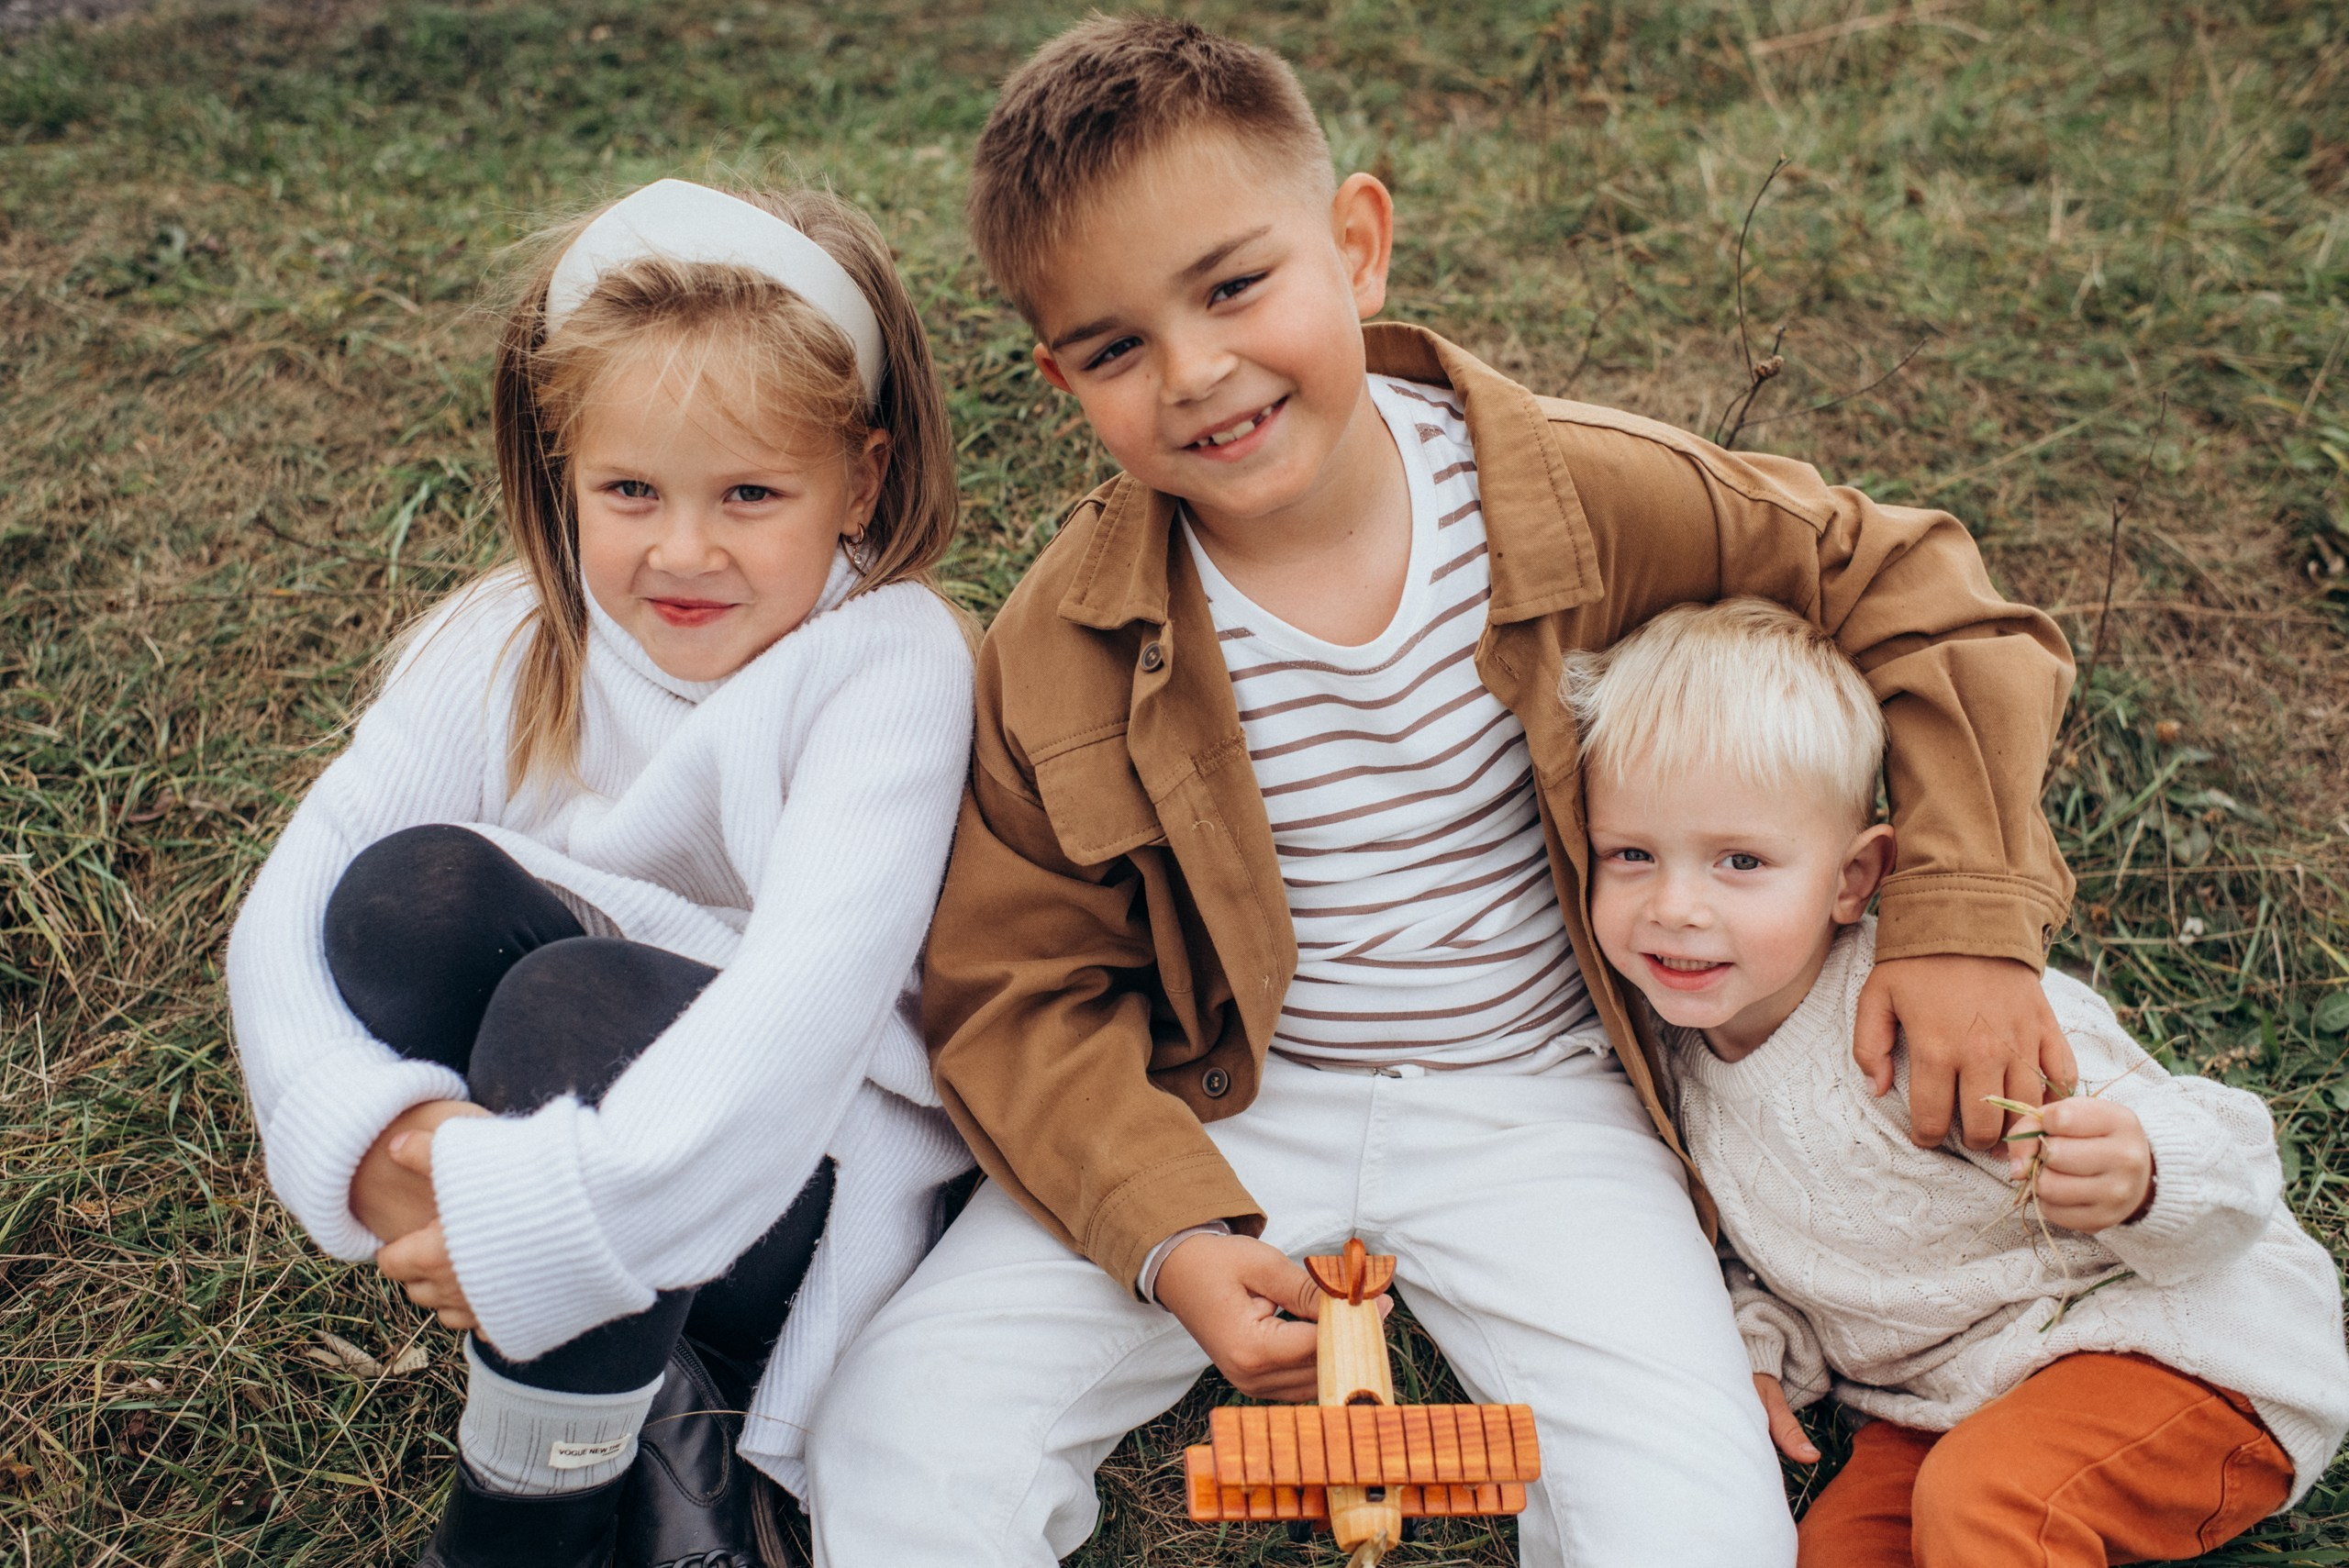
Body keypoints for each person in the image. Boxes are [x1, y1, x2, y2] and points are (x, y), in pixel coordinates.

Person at [809, 17, 2082, 1566]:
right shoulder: (1063, 642)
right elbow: (1014, 984)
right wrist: (1170, 1234)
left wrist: (1964, 913)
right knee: (900, 1427)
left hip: (1547, 1093)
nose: (1198, 370)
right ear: (1061, 373)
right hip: (1223, 1098)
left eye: (1233, 285)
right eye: (1118, 344)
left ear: (1357, 244)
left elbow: (1916, 585)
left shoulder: (1570, 491)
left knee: (1693, 1522)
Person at [225, 178, 976, 1568]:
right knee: (405, 893)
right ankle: (657, 1396)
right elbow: (298, 889)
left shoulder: (890, 657)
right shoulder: (518, 627)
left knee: (566, 1004)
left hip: (789, 1178)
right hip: (577, 1151)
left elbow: (804, 1012)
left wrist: (539, 1221)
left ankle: (525, 1518)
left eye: (752, 493)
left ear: (862, 478)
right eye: (630, 490)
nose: (683, 551)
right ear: (564, 458)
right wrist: (377, 1139)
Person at [1567, 596, 2349, 1566]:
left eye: (1740, 860)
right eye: (1631, 854)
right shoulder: (1669, 1060)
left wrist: (2146, 1172)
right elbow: (1774, 1259)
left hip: (2169, 1349)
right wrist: (1756, 1349)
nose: (1675, 906)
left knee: (1989, 1504)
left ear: (1854, 877)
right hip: (1943, 1403)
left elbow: (2230, 1154)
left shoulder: (1935, 1000)